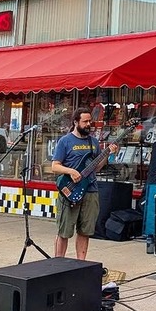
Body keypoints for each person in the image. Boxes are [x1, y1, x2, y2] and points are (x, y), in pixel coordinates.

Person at [51, 108, 118, 260]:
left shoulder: (93, 142)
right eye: (85, 121)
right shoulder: (65, 141)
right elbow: (55, 166)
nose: (89, 124)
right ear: (75, 122)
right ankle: (57, 263)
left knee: (85, 230)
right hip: (69, 189)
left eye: (90, 121)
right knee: (64, 230)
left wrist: (108, 155)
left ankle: (81, 263)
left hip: (91, 190)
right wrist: (71, 172)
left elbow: (97, 168)